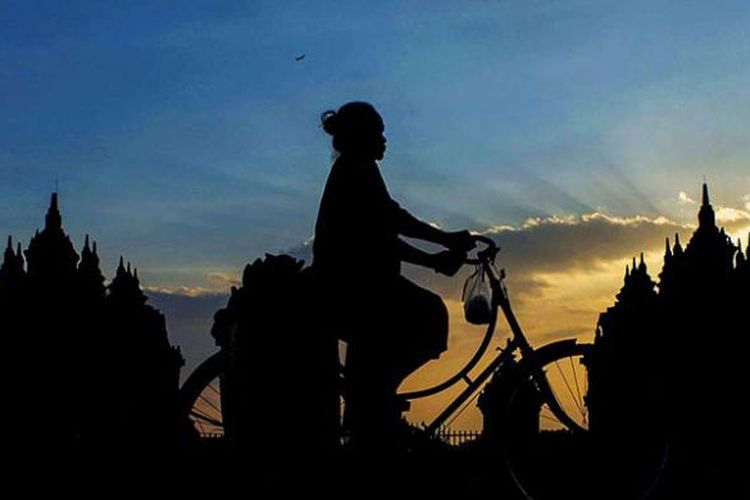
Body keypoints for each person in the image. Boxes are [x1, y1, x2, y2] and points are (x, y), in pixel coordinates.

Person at [311, 101, 476, 449]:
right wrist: (443, 243)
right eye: (379, 133)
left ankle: (370, 403)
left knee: (385, 338)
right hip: (353, 286)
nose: (385, 140)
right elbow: (390, 222)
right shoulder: (357, 170)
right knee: (429, 315)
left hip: (359, 282)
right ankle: (375, 401)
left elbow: (383, 234)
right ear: (364, 136)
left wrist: (435, 255)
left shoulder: (356, 169)